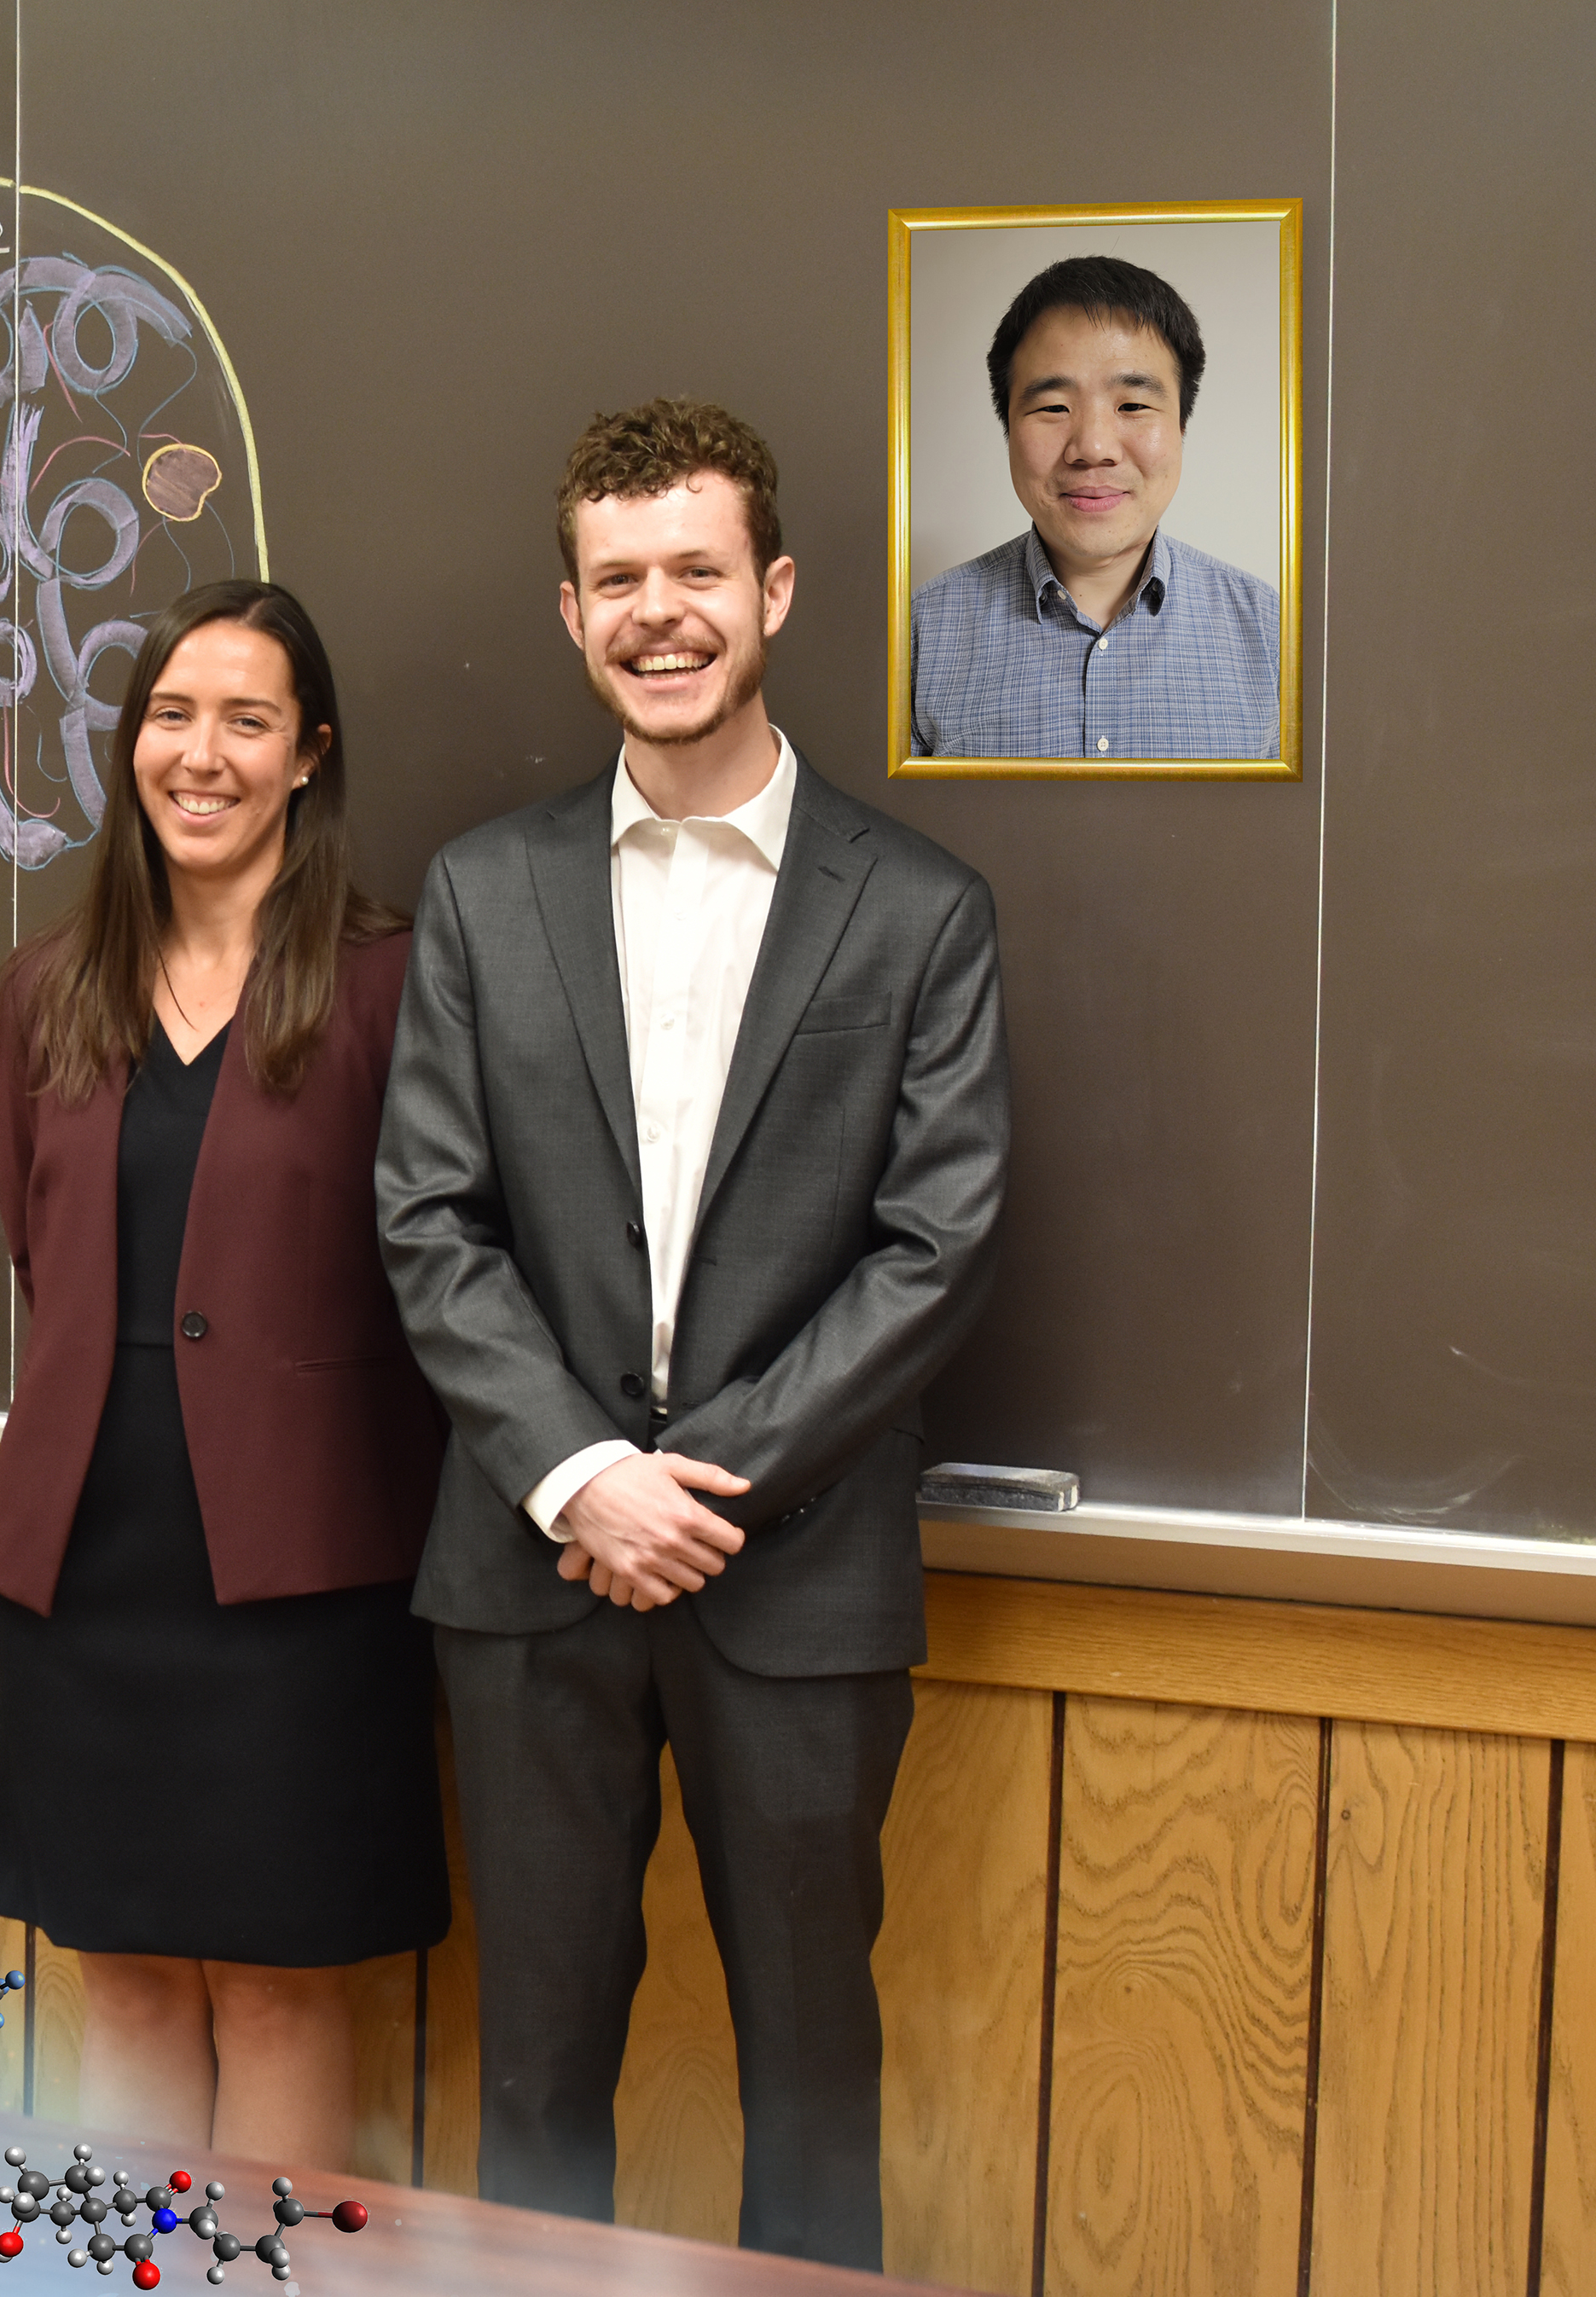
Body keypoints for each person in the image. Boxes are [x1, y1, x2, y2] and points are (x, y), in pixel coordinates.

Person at [377, 400, 1009, 2268]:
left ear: (774, 590)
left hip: (797, 1574)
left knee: (812, 2069)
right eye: (620, 580)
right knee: (539, 2067)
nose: (662, 614)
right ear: (572, 613)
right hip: (526, 1566)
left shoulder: (918, 911)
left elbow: (937, 1240)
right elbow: (429, 1216)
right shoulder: (485, 895)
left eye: (698, 573)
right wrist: (584, 1475)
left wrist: (691, 1484)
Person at [0, 578, 450, 2170]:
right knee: (119, 1983)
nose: (203, 753)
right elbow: (40, 1257)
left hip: (303, 1575)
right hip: (85, 1564)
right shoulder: (48, 992)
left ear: (309, 754)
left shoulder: (396, 986)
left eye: (247, 720)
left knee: (280, 1993)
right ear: (130, 747)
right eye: (172, 715)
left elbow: (444, 1268)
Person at [911, 253, 1281, 760]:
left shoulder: (1273, 638)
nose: (1093, 447)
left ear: (1181, 427)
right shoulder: (921, 635)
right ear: (1008, 429)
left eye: (1132, 405)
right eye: (1053, 408)